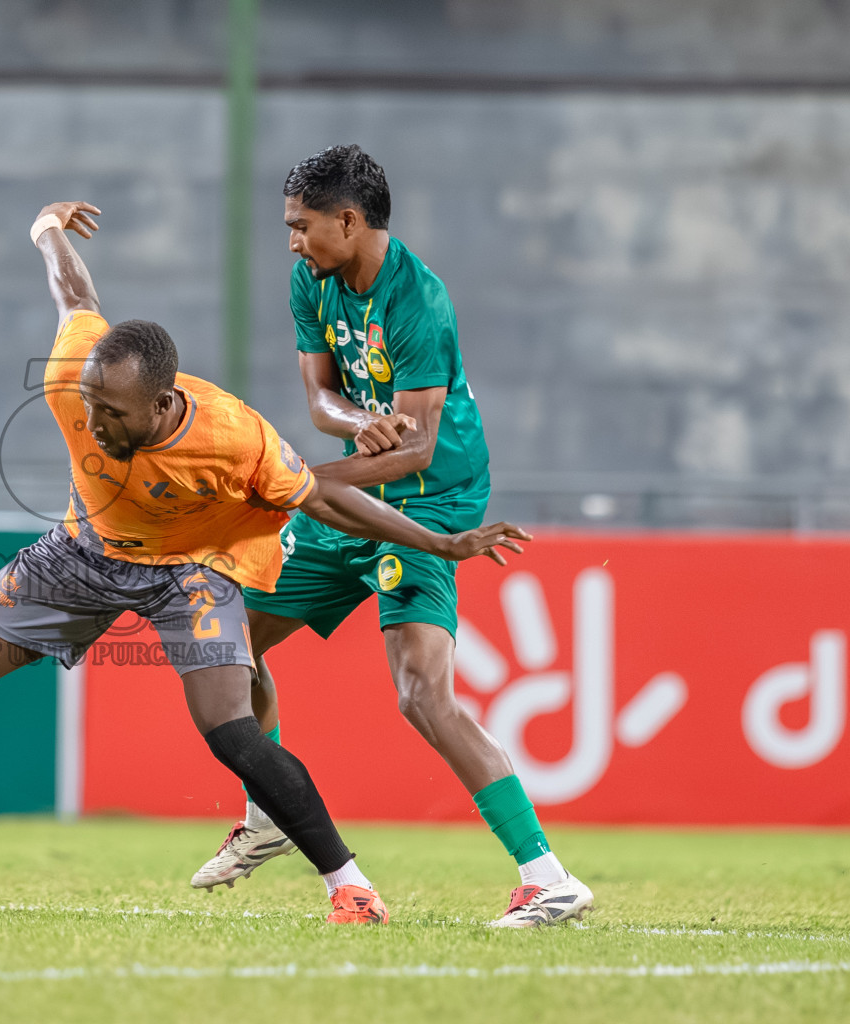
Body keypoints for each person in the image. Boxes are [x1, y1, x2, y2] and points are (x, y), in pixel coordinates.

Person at [0, 199, 530, 924]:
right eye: (91, 406)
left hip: (191, 571)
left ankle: (348, 884)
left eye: (112, 414)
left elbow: (321, 500)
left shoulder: (235, 437)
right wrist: (46, 230)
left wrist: (439, 542)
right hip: (80, 554)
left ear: (162, 405)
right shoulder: (74, 375)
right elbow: (74, 292)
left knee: (233, 733)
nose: (94, 422)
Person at [189, 145, 593, 928]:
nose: (293, 242)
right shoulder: (314, 278)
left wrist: (297, 482)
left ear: (349, 220)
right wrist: (349, 429)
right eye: (288, 228)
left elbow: (417, 449)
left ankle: (549, 879)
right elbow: (321, 398)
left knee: (421, 694)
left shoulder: (420, 303)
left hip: (430, 501)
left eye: (302, 227)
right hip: (354, 487)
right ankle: (270, 810)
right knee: (230, 642)